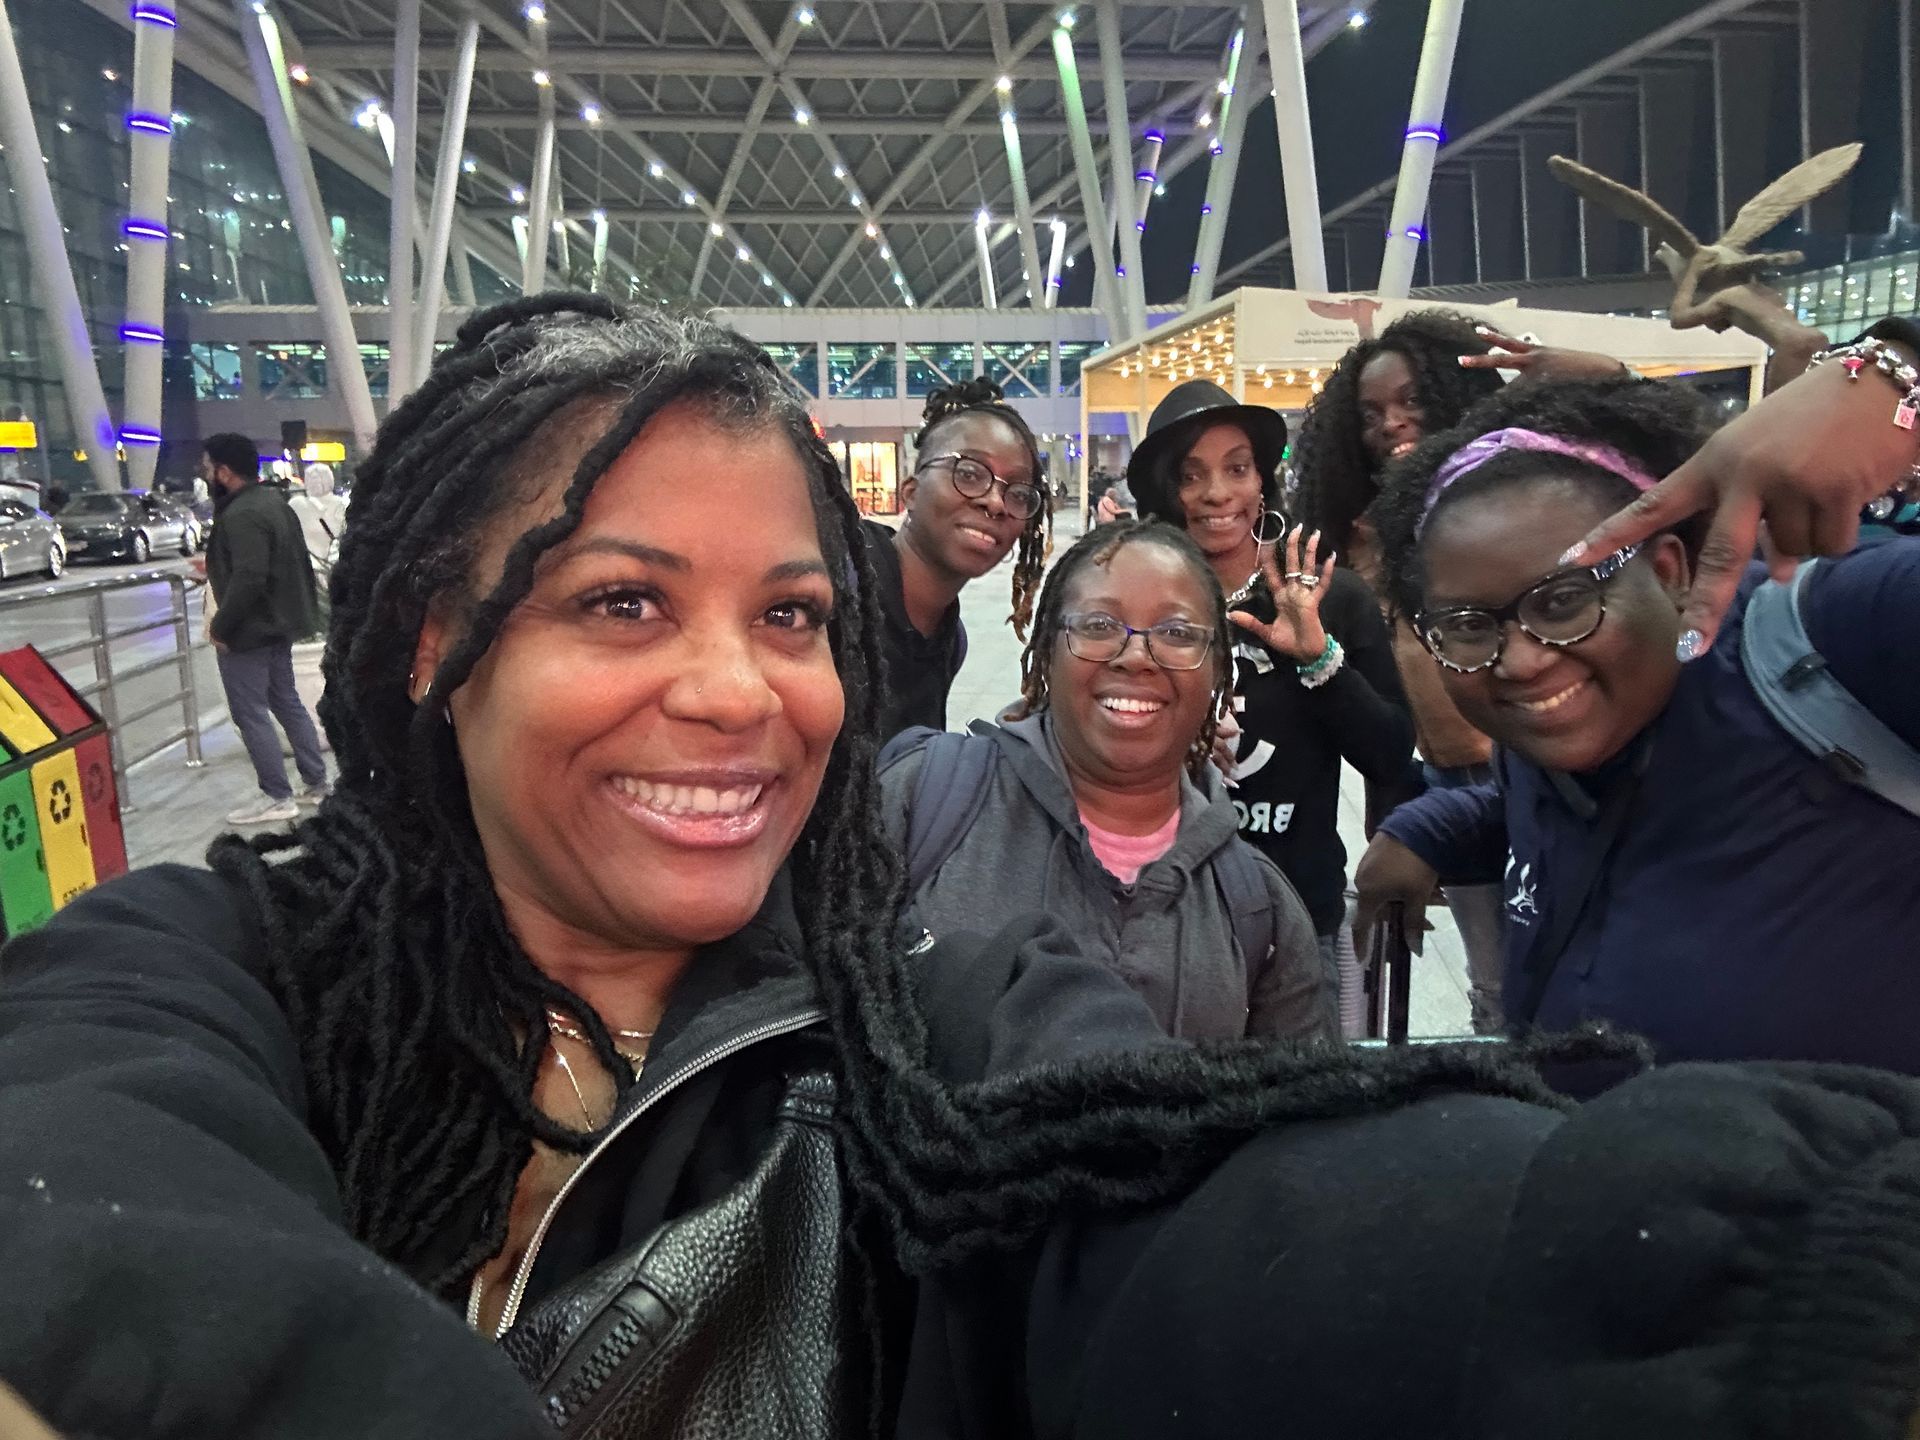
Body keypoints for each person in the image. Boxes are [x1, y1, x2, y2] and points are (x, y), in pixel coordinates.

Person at [14, 297, 1920, 1440]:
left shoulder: (904, 1002)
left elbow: (1206, 1178)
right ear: (437, 643)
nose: (734, 690)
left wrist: (1781, 1299)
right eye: (619, 602)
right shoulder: (215, 964)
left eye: (786, 614)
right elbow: (90, 1204)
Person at [1355, 358, 1920, 1070]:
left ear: (1669, 573)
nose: (1521, 662)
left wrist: (1897, 377)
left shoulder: (1838, 635)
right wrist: (1427, 828)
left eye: (1563, 601)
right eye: (1468, 624)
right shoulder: (1549, 743)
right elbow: (1571, 810)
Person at [1292, 309, 1628, 1031]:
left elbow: (1640, 478)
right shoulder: (1357, 538)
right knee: (1495, 982)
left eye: (1412, 399)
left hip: (1541, 765)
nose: (1391, 422)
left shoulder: (1506, 502)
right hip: (1444, 782)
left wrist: (1607, 377)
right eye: (1372, 411)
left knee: (1579, 958)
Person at [881, 519, 1332, 1041]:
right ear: (1048, 650)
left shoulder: (1258, 907)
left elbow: (1293, 1111)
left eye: (1178, 633)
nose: (1136, 655)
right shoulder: (920, 800)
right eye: (1098, 626)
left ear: (1217, 675)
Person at [1126, 379, 1413, 1028]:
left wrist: (1316, 656)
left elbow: (1391, 752)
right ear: (1167, 490)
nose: (1216, 494)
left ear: (1262, 480)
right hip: (1158, 913)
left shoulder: (1325, 594)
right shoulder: (1137, 594)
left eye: (1236, 469)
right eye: (1192, 475)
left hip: (1292, 913)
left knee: (1301, 1120)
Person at [864, 377, 1050, 740]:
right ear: (912, 491)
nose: (995, 502)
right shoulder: (840, 580)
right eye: (969, 473)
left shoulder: (949, 639)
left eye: (1018, 492)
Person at [199, 431, 328, 826]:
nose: (203, 475)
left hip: (250, 630)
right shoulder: (273, 501)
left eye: (206, 468)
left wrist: (221, 626)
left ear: (223, 471)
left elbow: (251, 575)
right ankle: (316, 783)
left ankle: (277, 795)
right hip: (278, 624)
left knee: (250, 711)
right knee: (286, 700)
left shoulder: (242, 513)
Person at [287, 461, 347, 573]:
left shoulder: (339, 504)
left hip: (317, 568)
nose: (315, 482)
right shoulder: (297, 504)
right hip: (320, 568)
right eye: (312, 478)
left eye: (318, 478)